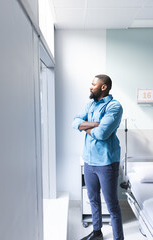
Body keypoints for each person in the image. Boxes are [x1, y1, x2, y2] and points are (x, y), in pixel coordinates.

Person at [72, 74, 124, 240]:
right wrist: (94, 124)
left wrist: (85, 127)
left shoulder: (114, 107)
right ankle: (97, 233)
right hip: (89, 160)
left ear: (103, 87)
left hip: (106, 163)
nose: (90, 86)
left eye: (93, 84)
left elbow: (102, 134)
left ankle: (118, 238)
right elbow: (75, 122)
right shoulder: (90, 104)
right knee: (93, 199)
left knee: (112, 205)